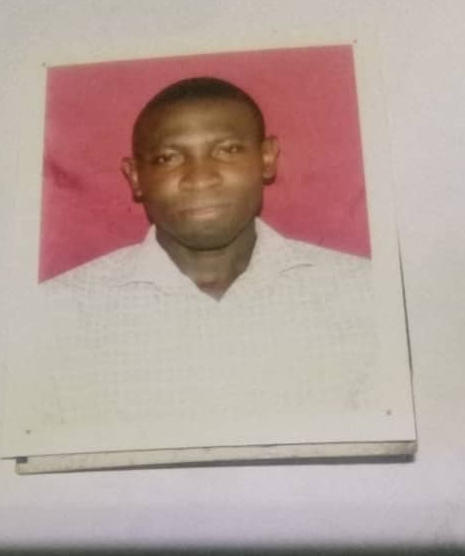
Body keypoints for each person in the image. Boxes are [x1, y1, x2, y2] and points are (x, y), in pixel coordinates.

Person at [6, 77, 376, 454]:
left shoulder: (367, 296)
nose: (200, 178)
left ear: (266, 158)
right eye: (168, 158)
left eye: (228, 150)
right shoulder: (53, 317)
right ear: (136, 177)